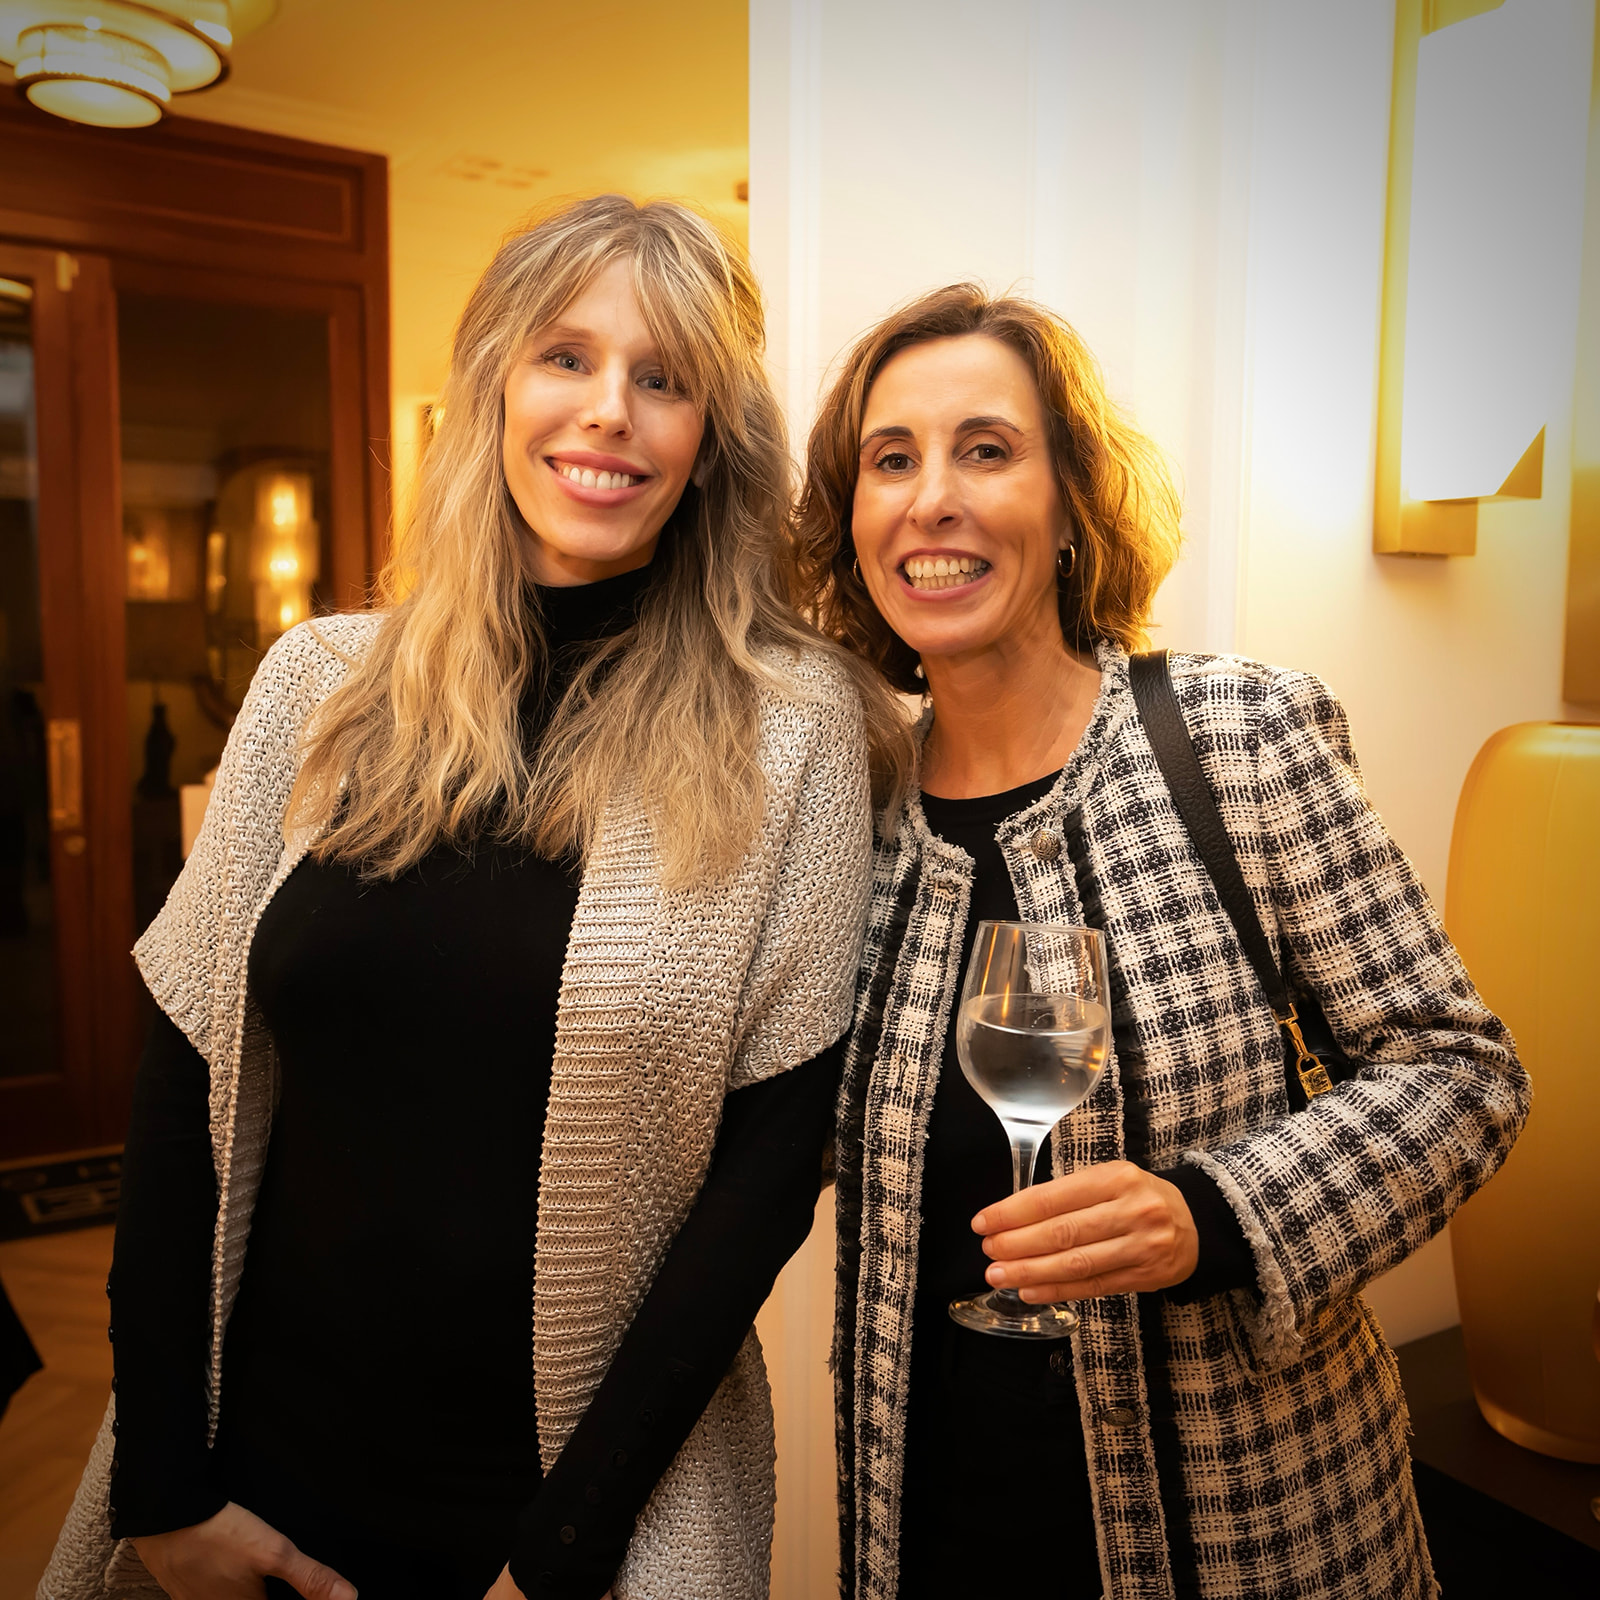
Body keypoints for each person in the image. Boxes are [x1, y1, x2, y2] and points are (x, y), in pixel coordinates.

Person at [41, 195, 898, 1600]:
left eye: (664, 378)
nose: (609, 411)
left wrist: (562, 1548)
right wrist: (164, 1491)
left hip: (571, 1518)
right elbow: (181, 1083)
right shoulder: (316, 684)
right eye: (567, 357)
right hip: (248, 1485)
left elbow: (765, 1176)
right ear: (495, 383)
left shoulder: (793, 728)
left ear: (709, 445)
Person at [791, 284, 1530, 1600]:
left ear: (1071, 502)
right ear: (852, 524)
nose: (931, 499)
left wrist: (1214, 1218)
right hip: (941, 1530)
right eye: (889, 460)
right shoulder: (855, 820)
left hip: (1262, 1540)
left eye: (986, 449)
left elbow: (1461, 1074)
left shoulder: (1234, 735)